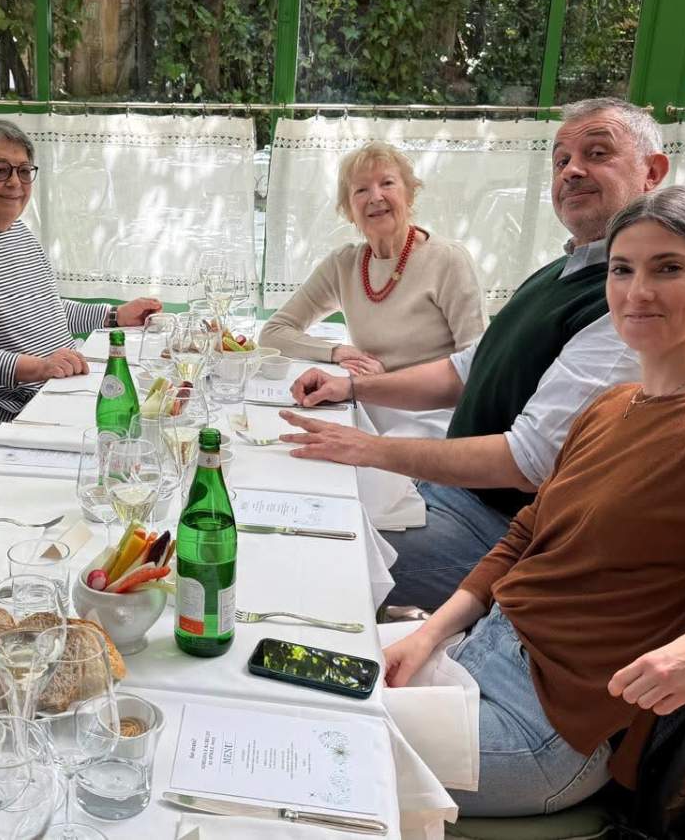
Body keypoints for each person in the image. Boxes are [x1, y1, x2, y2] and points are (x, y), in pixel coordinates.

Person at [380, 186, 685, 817]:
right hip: (477, 653)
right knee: (285, 681)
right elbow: (526, 535)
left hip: (550, 729)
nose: (637, 291)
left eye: (667, 268)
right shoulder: (612, 405)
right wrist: (430, 634)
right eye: (622, 269)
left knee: (317, 745)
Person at [280, 97, 664, 610]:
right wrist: (351, 386)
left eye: (597, 153)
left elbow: (528, 461)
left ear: (652, 173)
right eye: (561, 160)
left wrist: (369, 449)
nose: (572, 171)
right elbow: (465, 369)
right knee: (296, 498)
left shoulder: (629, 306)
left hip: (502, 532)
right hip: (448, 488)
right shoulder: (560, 273)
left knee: (303, 552)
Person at [0, 119, 163, 457]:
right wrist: (40, 367)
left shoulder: (14, 230)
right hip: (12, 417)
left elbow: (44, 306)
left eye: (23, 171)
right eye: (0, 170)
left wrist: (115, 316)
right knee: (134, 444)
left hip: (63, 387)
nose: (15, 183)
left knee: (159, 410)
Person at [260, 141, 485, 410]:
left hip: (434, 417)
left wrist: (380, 383)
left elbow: (479, 368)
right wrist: (337, 352)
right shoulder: (343, 265)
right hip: (367, 405)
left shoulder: (448, 260)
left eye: (387, 183)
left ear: (409, 195)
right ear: (349, 210)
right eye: (361, 190)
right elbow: (273, 333)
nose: (375, 197)